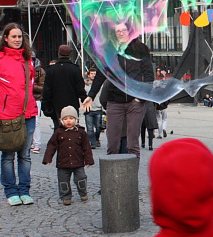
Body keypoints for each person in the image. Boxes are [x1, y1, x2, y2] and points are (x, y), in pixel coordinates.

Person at [82, 21, 154, 162]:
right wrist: (91, 95)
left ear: (130, 31)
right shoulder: (110, 50)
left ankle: (131, 179)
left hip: (135, 101)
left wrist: (141, 97)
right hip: (115, 100)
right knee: (113, 142)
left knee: (132, 144)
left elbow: (149, 76)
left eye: (123, 30)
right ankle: (113, 179)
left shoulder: (141, 50)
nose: (120, 33)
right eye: (117, 31)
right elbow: (101, 74)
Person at [0, 23, 38, 206]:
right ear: (5, 38)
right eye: (13, 37)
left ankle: (24, 190)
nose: (17, 40)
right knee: (8, 156)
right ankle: (11, 190)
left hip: (27, 113)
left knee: (25, 155)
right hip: (7, 115)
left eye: (20, 37)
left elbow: (30, 85)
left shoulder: (28, 59)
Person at [42, 106, 94, 205]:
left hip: (78, 162)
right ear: (61, 121)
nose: (68, 121)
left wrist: (88, 160)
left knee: (81, 178)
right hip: (63, 163)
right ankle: (66, 197)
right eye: (65, 119)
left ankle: (83, 193)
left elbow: (86, 147)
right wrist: (48, 158)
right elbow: (51, 146)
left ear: (76, 119)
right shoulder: (58, 132)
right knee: (63, 182)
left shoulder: (81, 132)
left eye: (71, 118)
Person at [41, 44, 87, 130]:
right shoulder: (75, 69)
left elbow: (47, 90)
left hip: (56, 105)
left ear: (58, 54)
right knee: (72, 128)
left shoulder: (51, 70)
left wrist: (46, 106)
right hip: (72, 104)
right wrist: (84, 100)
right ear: (70, 55)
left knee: (58, 128)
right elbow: (80, 88)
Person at [84, 68, 103, 149]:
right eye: (91, 73)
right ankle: (93, 143)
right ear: (88, 75)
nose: (93, 75)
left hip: (98, 108)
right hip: (89, 109)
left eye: (94, 73)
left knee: (99, 127)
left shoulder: (100, 85)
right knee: (89, 128)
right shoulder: (85, 86)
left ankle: (96, 138)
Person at [31, 51, 45, 154]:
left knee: (36, 122)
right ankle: (30, 142)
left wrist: (30, 85)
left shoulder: (40, 71)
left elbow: (42, 87)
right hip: (25, 97)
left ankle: (37, 143)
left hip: (36, 98)